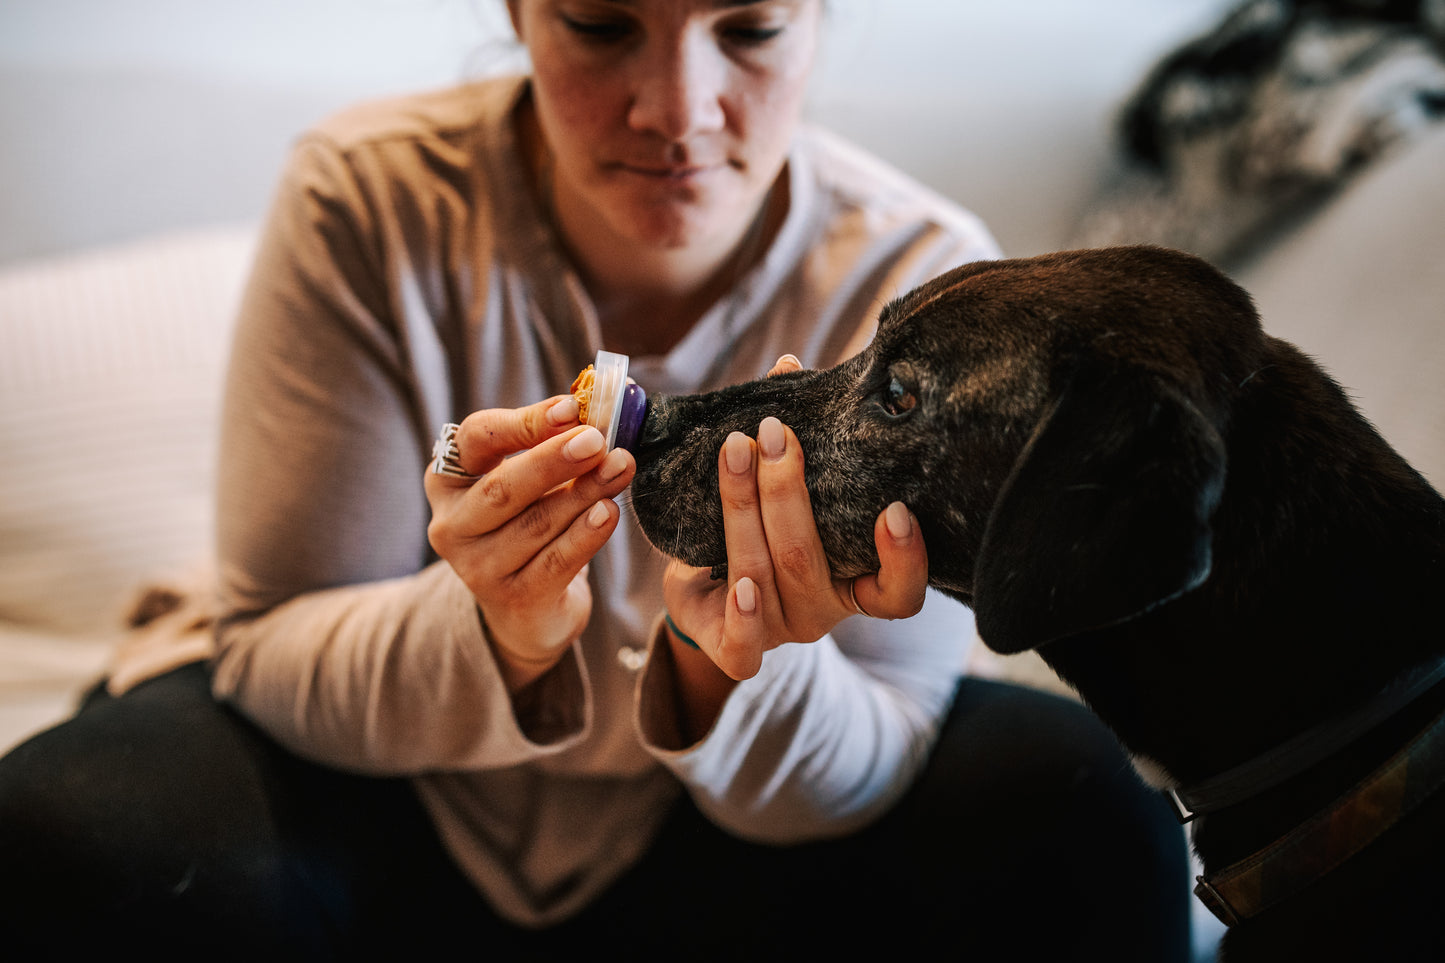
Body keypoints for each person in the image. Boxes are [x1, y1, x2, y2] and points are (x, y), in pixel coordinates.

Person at [0, 2, 1191, 958]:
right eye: (601, 24)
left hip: (729, 854)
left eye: (751, 30)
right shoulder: (365, 198)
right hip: (385, 804)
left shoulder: (921, 280)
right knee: (69, 830)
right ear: (516, 15)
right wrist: (503, 630)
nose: (676, 110)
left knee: (1086, 815)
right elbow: (268, 645)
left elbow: (881, 736)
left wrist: (730, 668)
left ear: (821, 24)